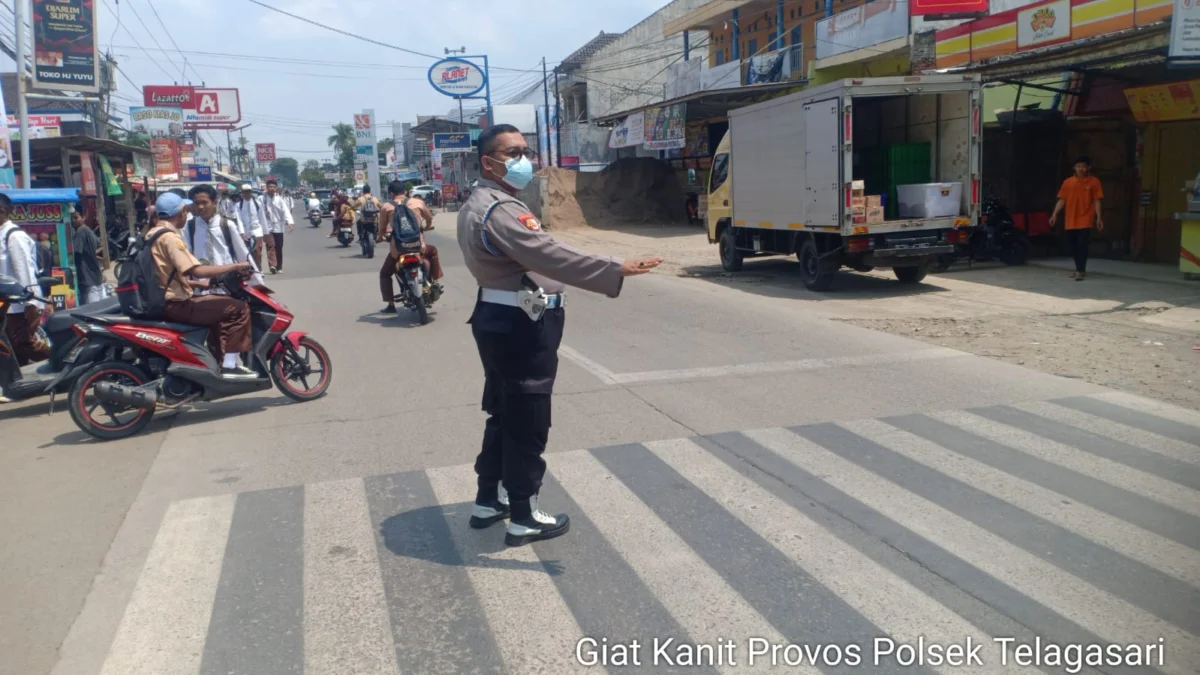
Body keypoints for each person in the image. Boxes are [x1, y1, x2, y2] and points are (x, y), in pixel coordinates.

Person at [458, 124, 663, 546]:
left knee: (504, 411)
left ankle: (487, 500)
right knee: (527, 417)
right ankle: (523, 514)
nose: (523, 159)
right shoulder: (501, 210)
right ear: (488, 162)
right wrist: (613, 267)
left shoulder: (480, 203)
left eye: (525, 150)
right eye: (513, 152)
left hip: (499, 316)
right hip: (520, 325)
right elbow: (549, 253)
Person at [149, 192, 257, 380]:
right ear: (181, 212)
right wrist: (236, 266)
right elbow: (196, 269)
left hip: (165, 297)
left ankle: (214, 362)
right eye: (190, 207)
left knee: (217, 309)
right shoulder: (171, 237)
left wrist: (198, 283)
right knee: (239, 309)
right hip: (176, 302)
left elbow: (166, 275)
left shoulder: (150, 234)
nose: (195, 209)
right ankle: (231, 366)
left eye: (202, 203)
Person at [0, 192, 49, 367]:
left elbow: (25, 272)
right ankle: (18, 385)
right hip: (7, 306)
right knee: (11, 347)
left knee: (22, 345)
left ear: (2, 211)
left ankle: (62, 364)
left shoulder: (14, 236)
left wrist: (30, 304)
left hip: (19, 306)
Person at [379, 181, 443, 314]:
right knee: (433, 251)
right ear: (406, 191)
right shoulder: (418, 203)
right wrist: (426, 226)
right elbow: (429, 218)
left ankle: (391, 305)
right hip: (418, 247)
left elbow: (381, 228)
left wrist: (381, 237)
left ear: (391, 194)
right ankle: (435, 281)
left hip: (398, 250)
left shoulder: (386, 207)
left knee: (385, 274)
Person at [1049, 156, 1104, 281]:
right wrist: (1054, 214)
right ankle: (1079, 269)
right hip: (1071, 219)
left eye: (1083, 166)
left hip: (1086, 218)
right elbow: (1062, 200)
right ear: (1074, 167)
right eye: (1078, 166)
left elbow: (1097, 201)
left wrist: (1099, 218)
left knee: (1082, 245)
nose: (1081, 168)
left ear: (1088, 168)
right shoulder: (1068, 182)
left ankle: (1080, 270)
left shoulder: (1094, 182)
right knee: (1073, 246)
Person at [72, 208, 105, 305]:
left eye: (76, 217)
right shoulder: (89, 230)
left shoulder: (80, 232)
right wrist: (93, 254)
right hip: (96, 273)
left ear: (83, 217)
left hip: (87, 274)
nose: (74, 220)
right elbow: (100, 246)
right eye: (72, 218)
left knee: (91, 308)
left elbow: (76, 252)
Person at [260, 179, 294, 274]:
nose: (271, 189)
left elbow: (286, 211)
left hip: (279, 226)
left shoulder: (280, 199)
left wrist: (290, 222)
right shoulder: (261, 199)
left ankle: (279, 266)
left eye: (273, 187)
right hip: (267, 226)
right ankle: (272, 266)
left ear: (276, 188)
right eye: (270, 187)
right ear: (266, 188)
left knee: (279, 247)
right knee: (270, 245)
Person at [235, 183, 266, 269]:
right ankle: (251, 268)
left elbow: (262, 217)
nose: (246, 194)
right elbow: (239, 219)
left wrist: (265, 232)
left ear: (251, 192)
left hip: (257, 231)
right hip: (246, 231)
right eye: (245, 192)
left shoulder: (257, 203)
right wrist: (242, 232)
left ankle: (259, 269)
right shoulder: (238, 205)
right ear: (242, 193)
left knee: (257, 251)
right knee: (247, 251)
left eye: (248, 192)